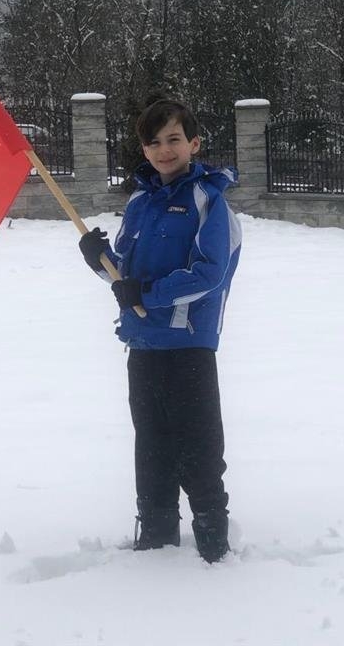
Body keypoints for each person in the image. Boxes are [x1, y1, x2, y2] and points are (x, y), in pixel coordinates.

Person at [79, 92, 242, 563]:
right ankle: (155, 537)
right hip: (144, 343)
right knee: (151, 446)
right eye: (153, 142)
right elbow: (126, 276)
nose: (164, 150)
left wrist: (146, 294)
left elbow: (209, 274)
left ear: (194, 143)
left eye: (173, 139)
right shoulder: (140, 202)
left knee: (199, 447)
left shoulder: (209, 202)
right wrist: (100, 260)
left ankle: (212, 543)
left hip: (188, 346)